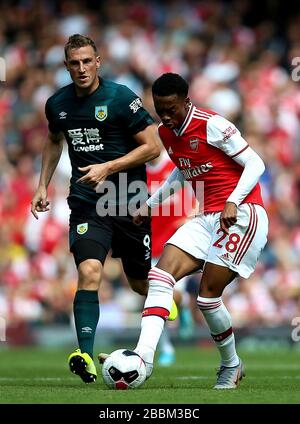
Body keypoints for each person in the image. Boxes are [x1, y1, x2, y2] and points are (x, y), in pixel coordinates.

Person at [31, 34, 176, 384]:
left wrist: (108, 167)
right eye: (74, 63)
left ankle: (169, 301)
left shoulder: (120, 98)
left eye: (86, 61)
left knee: (140, 283)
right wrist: (41, 185)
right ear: (66, 66)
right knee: (90, 272)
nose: (80, 68)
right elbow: (54, 141)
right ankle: (84, 353)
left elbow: (154, 147)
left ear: (98, 62)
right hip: (86, 203)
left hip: (129, 201)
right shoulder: (57, 104)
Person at [132, 72, 269, 389]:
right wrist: (151, 205)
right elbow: (181, 174)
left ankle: (231, 364)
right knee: (159, 276)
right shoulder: (166, 134)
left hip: (243, 215)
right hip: (207, 217)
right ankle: (143, 359)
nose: (165, 116)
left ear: (186, 102)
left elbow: (256, 163)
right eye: (160, 109)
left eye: (171, 109)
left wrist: (234, 201)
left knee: (207, 300)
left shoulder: (212, 124)